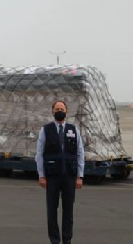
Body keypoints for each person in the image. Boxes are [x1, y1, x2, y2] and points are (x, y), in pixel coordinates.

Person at [35, 100, 85, 244]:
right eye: (57, 109)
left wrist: (80, 176)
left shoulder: (73, 130)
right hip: (52, 176)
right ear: (52, 111)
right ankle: (55, 240)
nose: (59, 111)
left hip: (69, 176)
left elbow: (80, 153)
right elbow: (39, 154)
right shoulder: (45, 130)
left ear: (66, 111)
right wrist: (41, 175)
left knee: (68, 210)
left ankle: (67, 239)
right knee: (52, 210)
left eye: (62, 108)